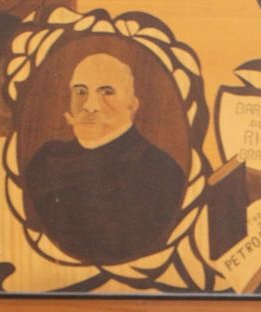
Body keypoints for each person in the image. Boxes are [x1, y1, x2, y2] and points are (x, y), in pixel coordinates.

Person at [21, 51, 186, 264]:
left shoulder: (159, 169)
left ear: (132, 104)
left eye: (107, 92)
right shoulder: (45, 159)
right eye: (80, 91)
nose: (90, 106)